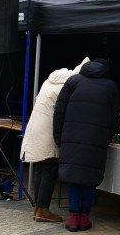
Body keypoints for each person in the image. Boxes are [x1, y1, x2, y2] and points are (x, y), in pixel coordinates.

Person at [53, 58, 120, 231]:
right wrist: (108, 136)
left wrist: (58, 136)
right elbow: (115, 117)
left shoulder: (73, 81)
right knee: (89, 179)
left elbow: (59, 110)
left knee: (73, 177)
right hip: (96, 139)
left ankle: (73, 219)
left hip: (71, 136)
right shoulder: (111, 86)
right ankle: (84, 219)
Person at [21, 58, 89, 223]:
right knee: (50, 171)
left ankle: (39, 208)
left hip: (36, 127)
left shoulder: (51, 80)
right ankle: (42, 210)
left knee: (41, 170)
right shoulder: (69, 85)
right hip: (48, 130)